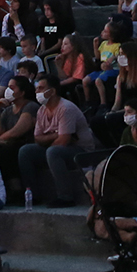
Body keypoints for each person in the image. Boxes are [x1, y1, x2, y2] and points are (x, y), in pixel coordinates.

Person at [20, 75, 94, 206]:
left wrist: (52, 138)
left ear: (52, 91)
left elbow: (63, 141)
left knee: (53, 152)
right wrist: (55, 135)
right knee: (25, 151)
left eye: (41, 88)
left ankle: (66, 197)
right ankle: (33, 195)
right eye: (36, 89)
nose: (37, 92)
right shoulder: (42, 110)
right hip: (57, 148)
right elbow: (37, 138)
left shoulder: (65, 108)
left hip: (81, 151)